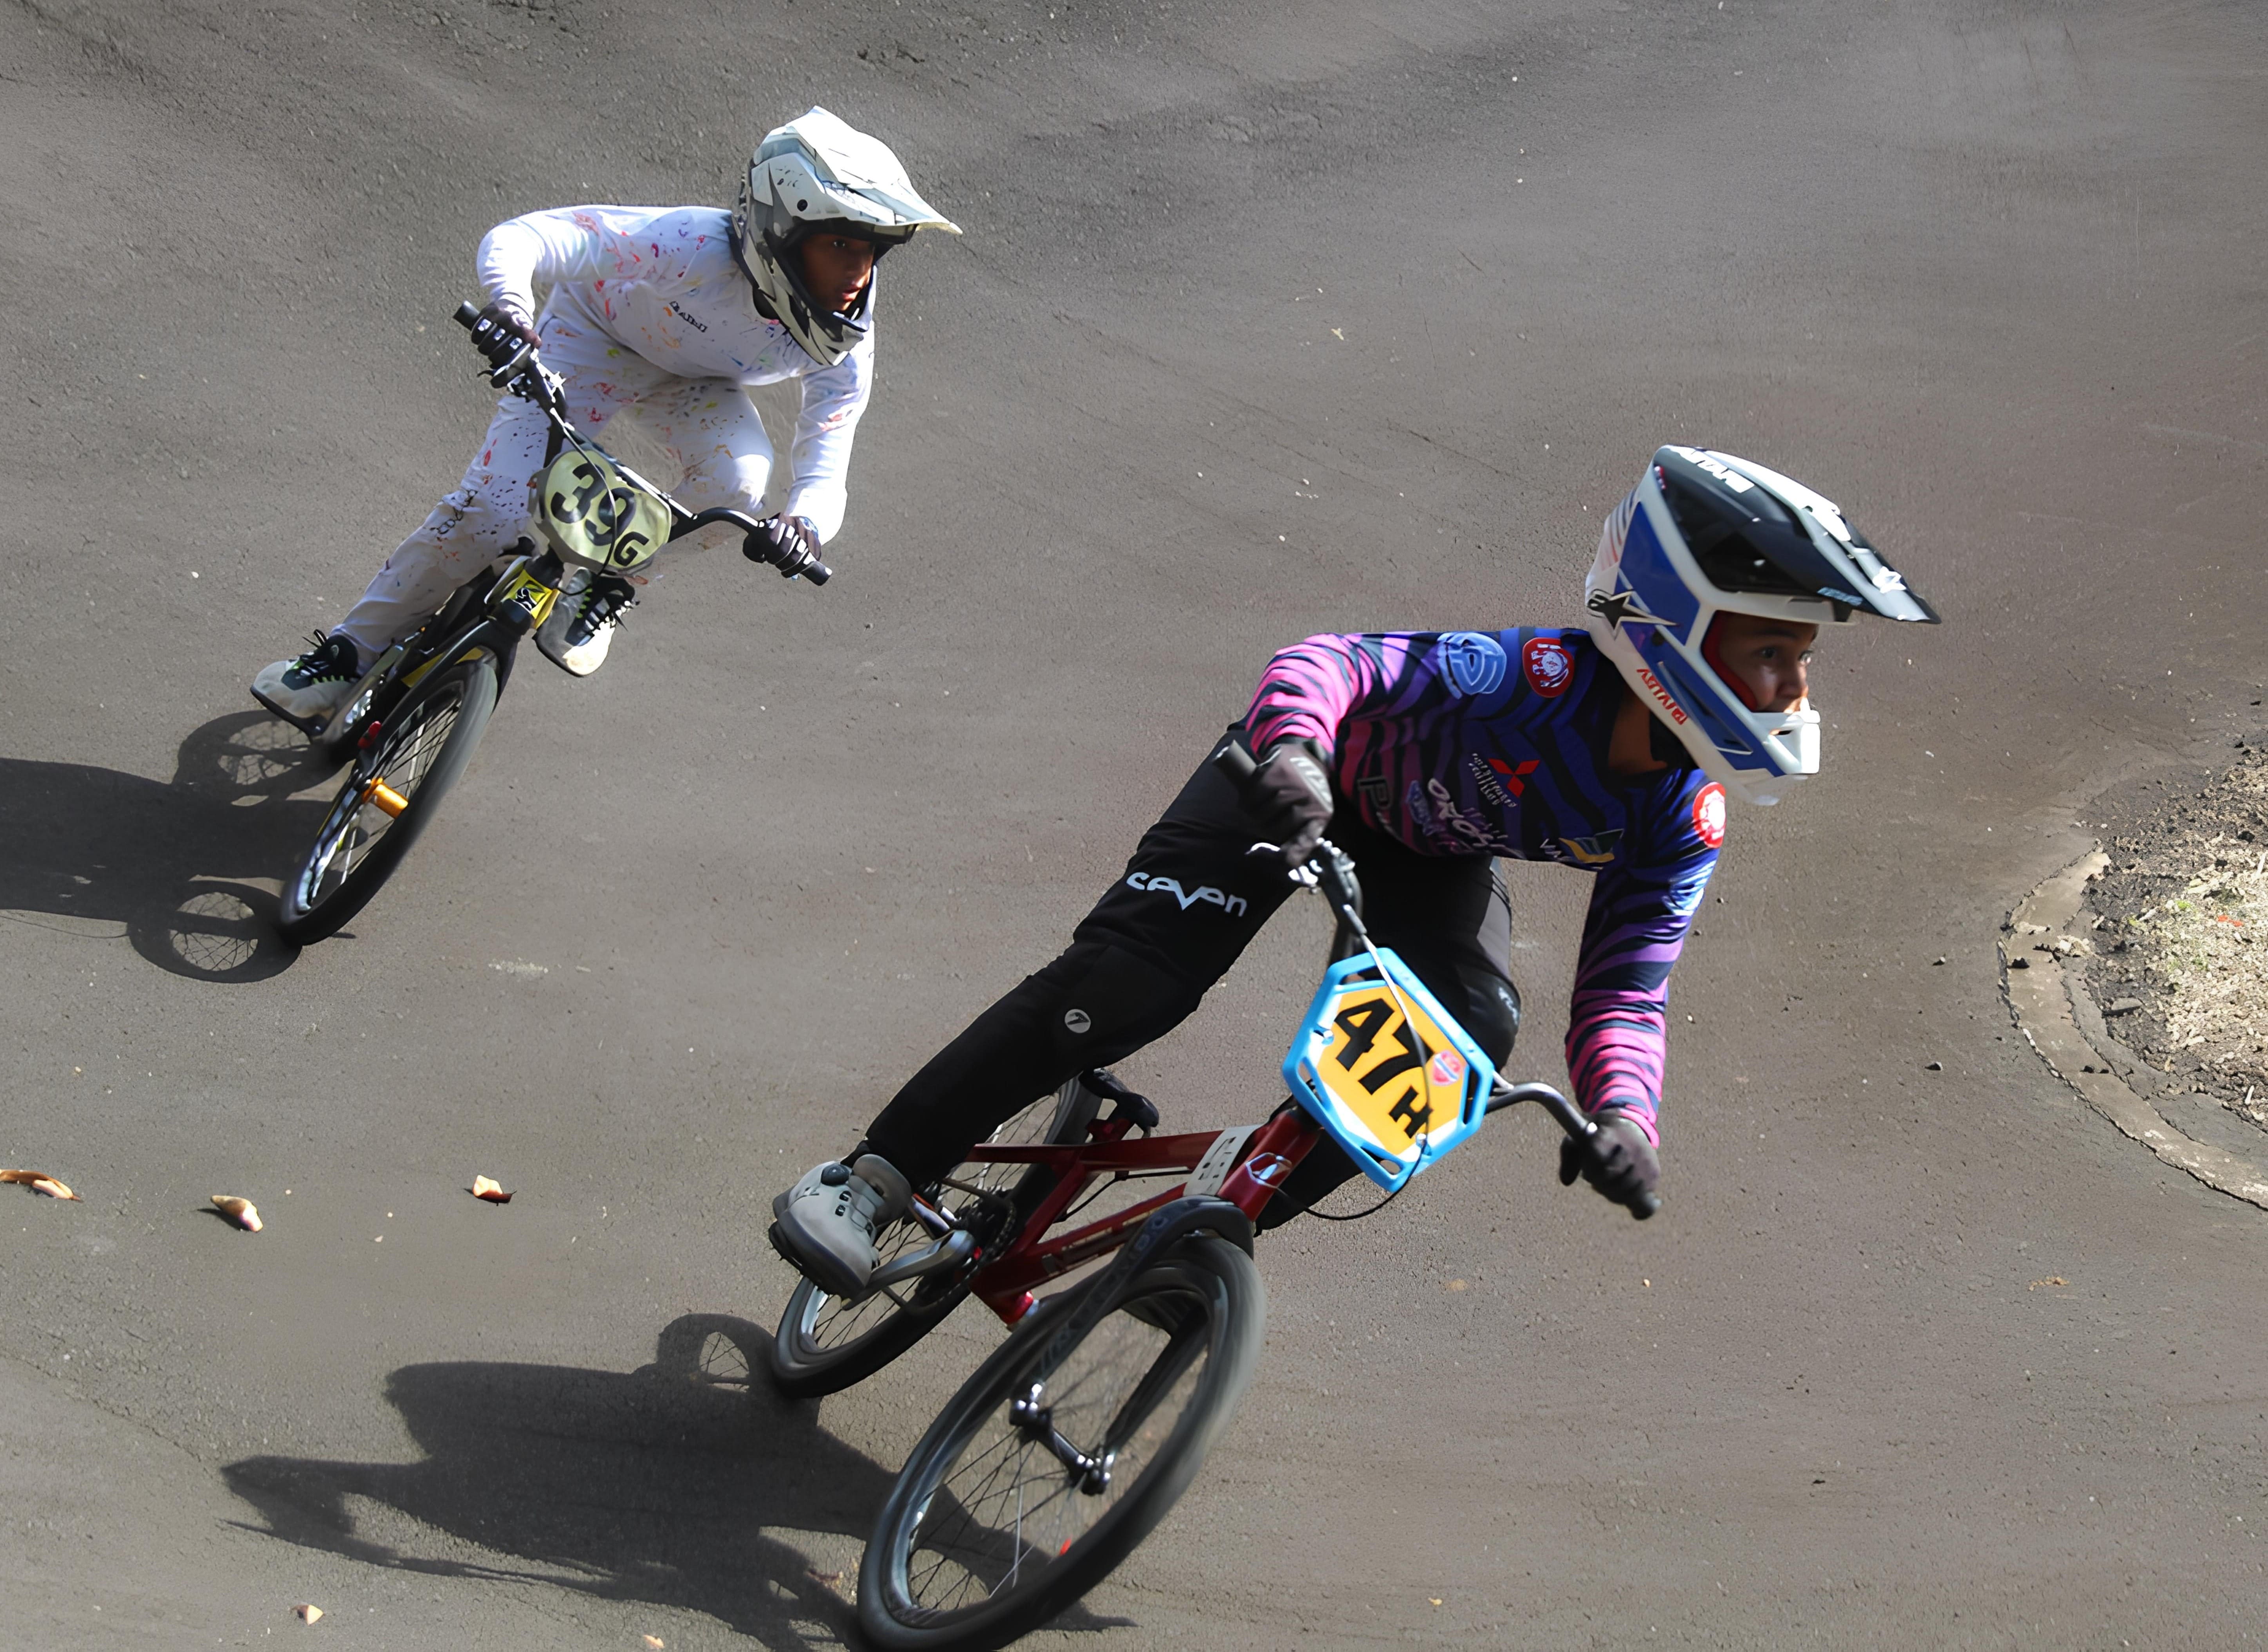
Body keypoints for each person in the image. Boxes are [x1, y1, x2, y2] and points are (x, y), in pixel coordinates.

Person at [770, 446, 1940, 1296]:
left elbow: (1627, 992)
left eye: (1803, 657)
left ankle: (1197, 1248)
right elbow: (1332, 662)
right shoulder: (1529, 680)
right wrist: (1293, 752)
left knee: (1465, 1038)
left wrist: (1627, 1114)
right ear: (1676, 623)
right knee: (1131, 985)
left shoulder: (1687, 814)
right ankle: (869, 1180)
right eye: (1772, 649)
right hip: (1293, 784)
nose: (1794, 688)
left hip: (1428, 850)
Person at [253, 107, 959, 731]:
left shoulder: (848, 340)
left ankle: (609, 582)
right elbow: (528, 238)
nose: (860, 273)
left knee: (742, 484)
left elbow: (830, 456)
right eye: (841, 245)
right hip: (593, 341)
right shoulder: (689, 245)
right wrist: (511, 311)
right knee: (493, 512)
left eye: (871, 250)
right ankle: (344, 656)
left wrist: (804, 525)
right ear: (782, 227)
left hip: (699, 384)